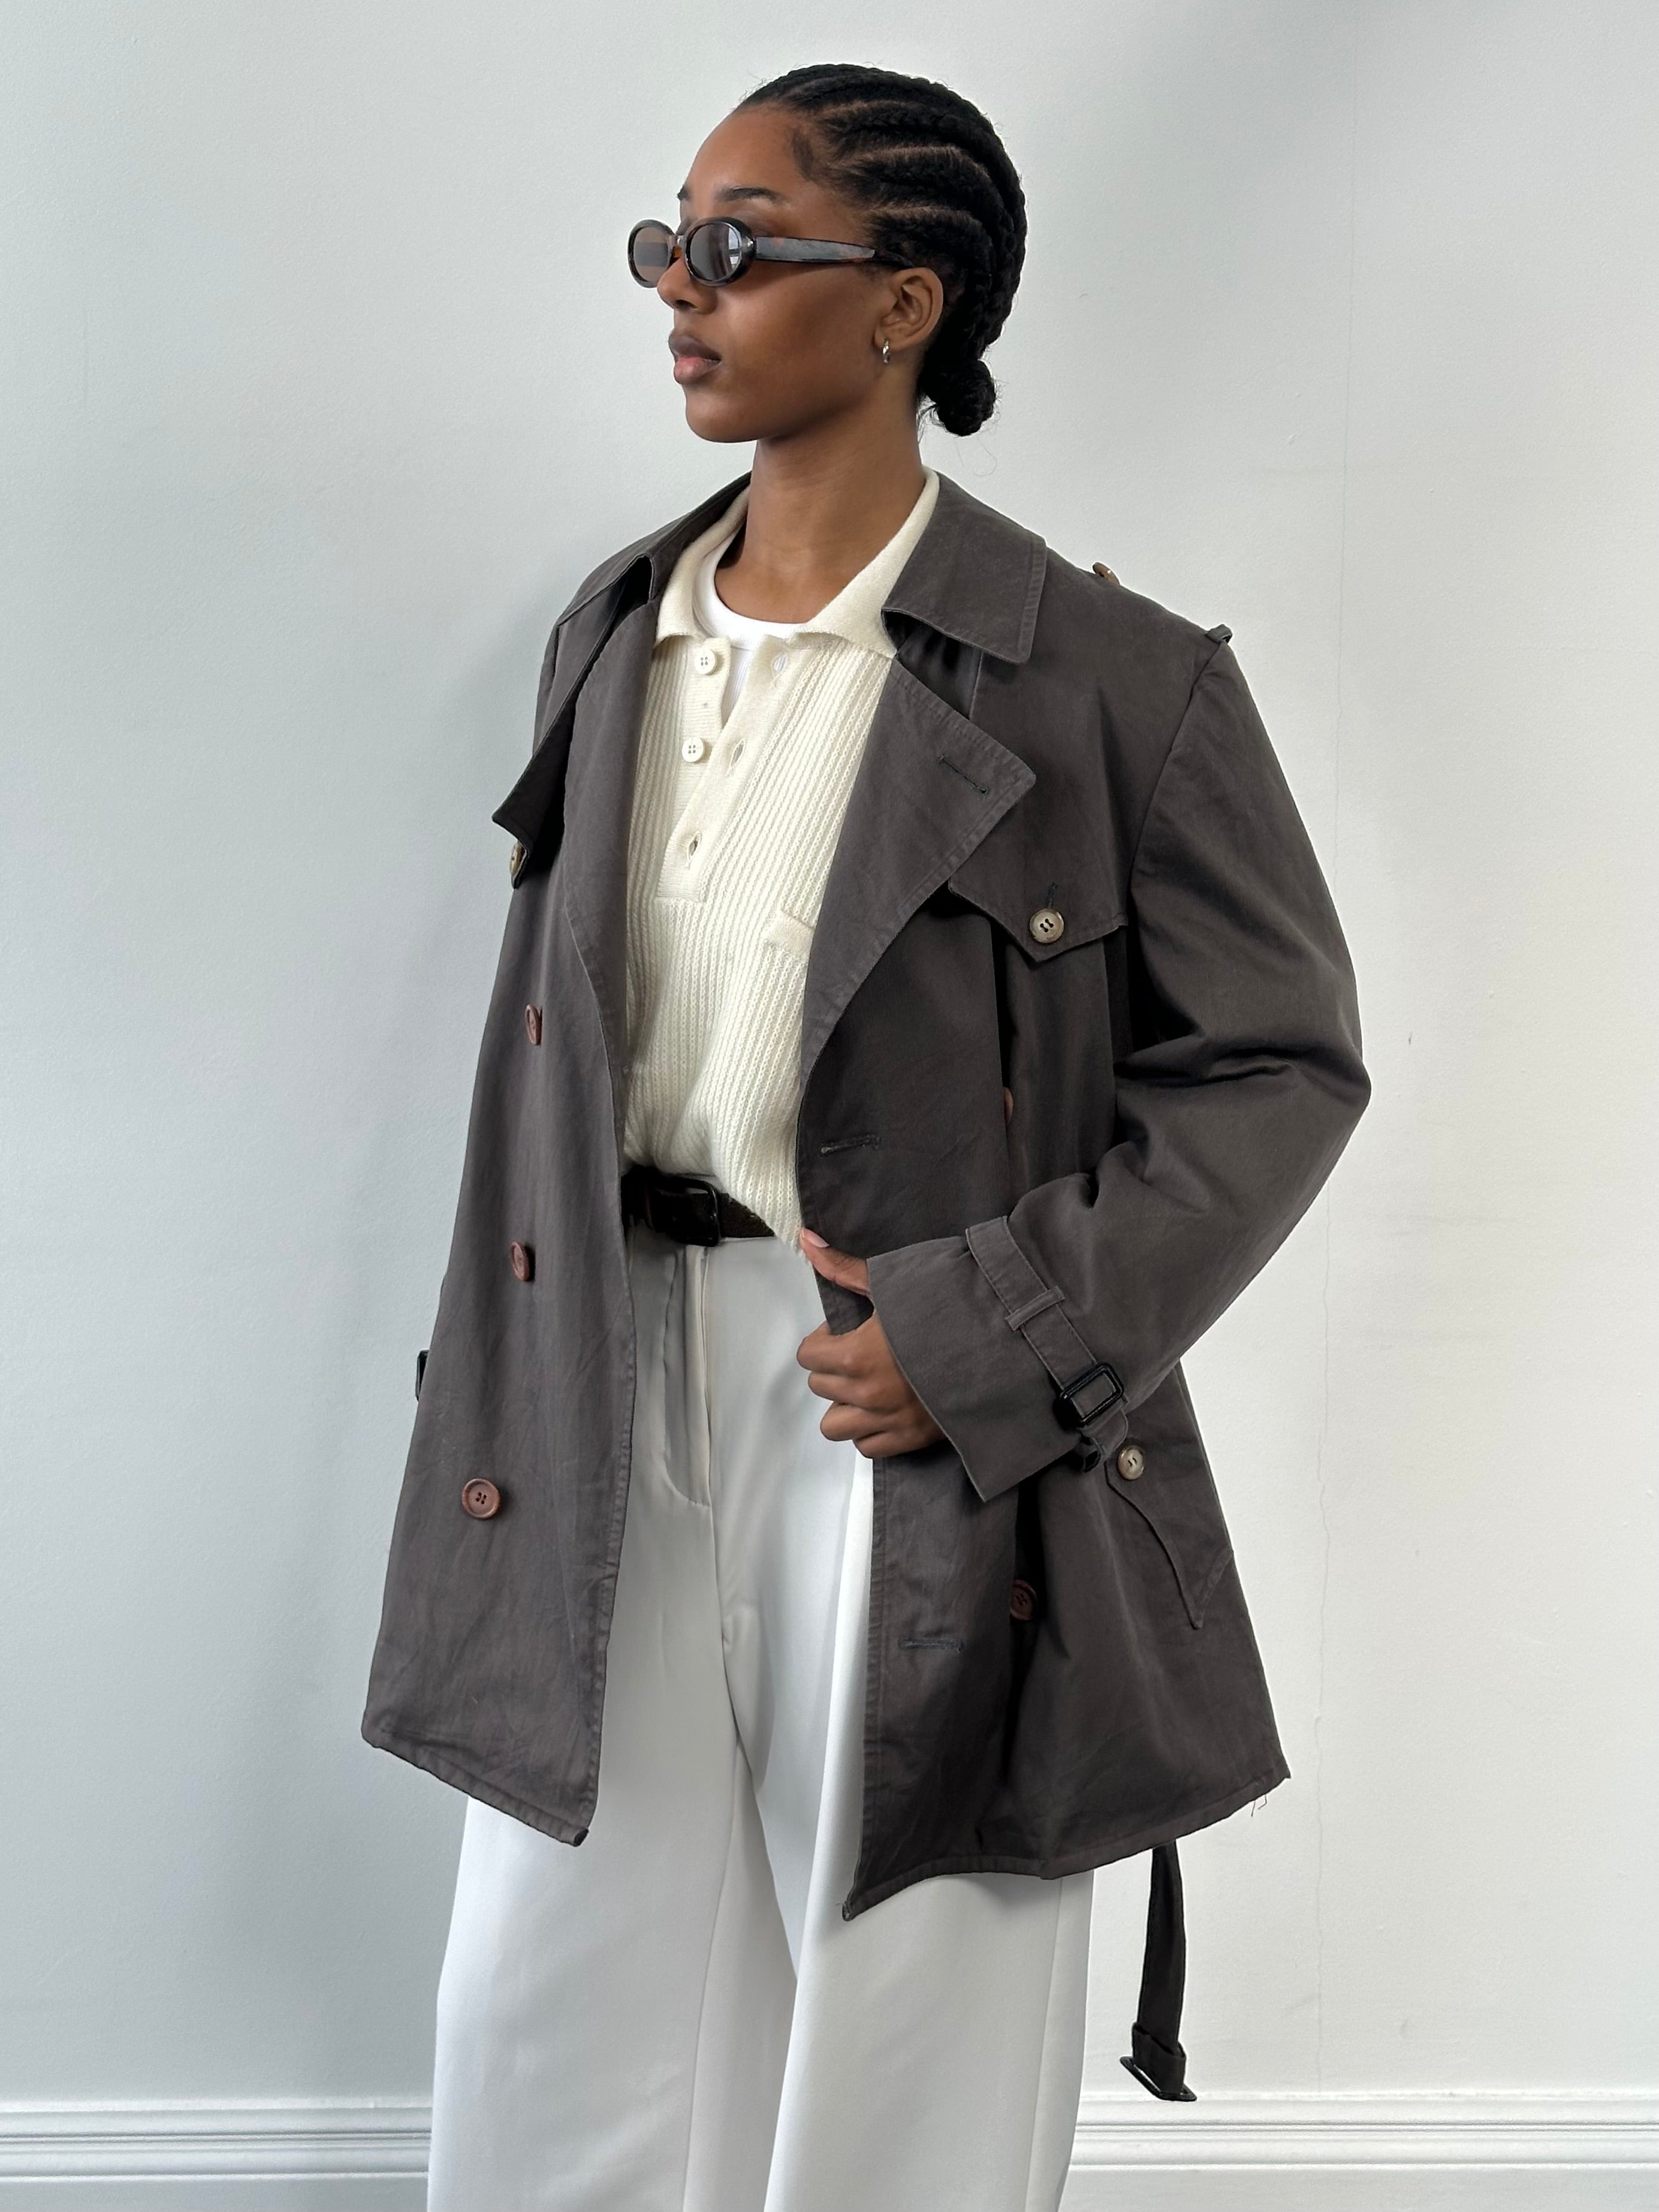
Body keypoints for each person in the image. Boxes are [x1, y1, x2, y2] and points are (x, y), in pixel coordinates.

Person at [362, 60, 1370, 2212]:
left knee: (910, 1994)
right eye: (671, 243)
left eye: (738, 248)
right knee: (550, 1988)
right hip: (601, 1372)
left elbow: (1280, 1062)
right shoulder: (616, 632)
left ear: (905, 303)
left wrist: (992, 1333)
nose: (681, 290)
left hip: (909, 1401)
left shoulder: (1112, 682)